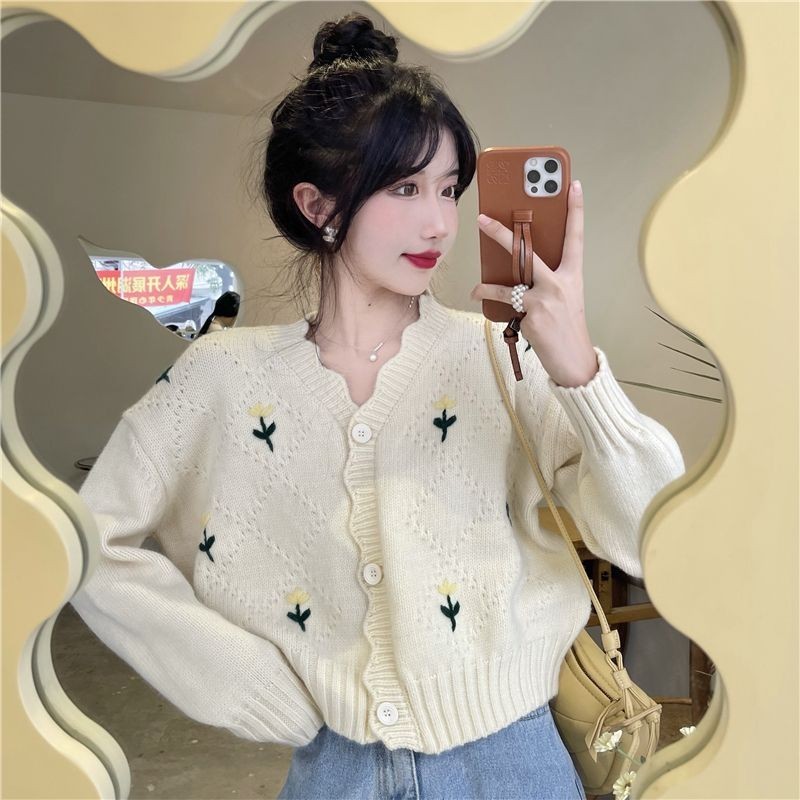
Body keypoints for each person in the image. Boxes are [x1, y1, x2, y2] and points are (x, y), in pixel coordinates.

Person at [70, 12, 685, 800]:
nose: (440, 222)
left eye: (449, 189)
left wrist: (578, 369)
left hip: (512, 765)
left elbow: (659, 534)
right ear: (319, 206)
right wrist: (230, 673)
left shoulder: (500, 357)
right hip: (336, 771)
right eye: (405, 189)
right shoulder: (220, 376)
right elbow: (82, 541)